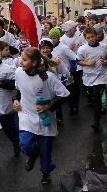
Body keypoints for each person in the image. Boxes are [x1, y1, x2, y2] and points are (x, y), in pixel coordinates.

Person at [13, 48, 70, 184]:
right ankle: (32, 155)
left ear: (34, 62)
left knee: (45, 153)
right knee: (26, 144)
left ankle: (46, 173)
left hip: (45, 119)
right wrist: (15, 100)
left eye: (25, 59)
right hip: (26, 116)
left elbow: (65, 94)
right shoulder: (18, 72)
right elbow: (18, 89)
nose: (21, 62)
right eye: (22, 58)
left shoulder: (47, 77)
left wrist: (48, 106)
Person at [77, 26, 107, 132]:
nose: (91, 39)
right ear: (85, 39)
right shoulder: (82, 49)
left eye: (92, 37)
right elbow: (78, 61)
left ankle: (96, 122)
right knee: (92, 98)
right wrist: (87, 63)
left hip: (101, 76)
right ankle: (99, 107)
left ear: (96, 36)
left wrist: (106, 61)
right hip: (88, 77)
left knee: (95, 97)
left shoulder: (103, 46)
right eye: (88, 38)